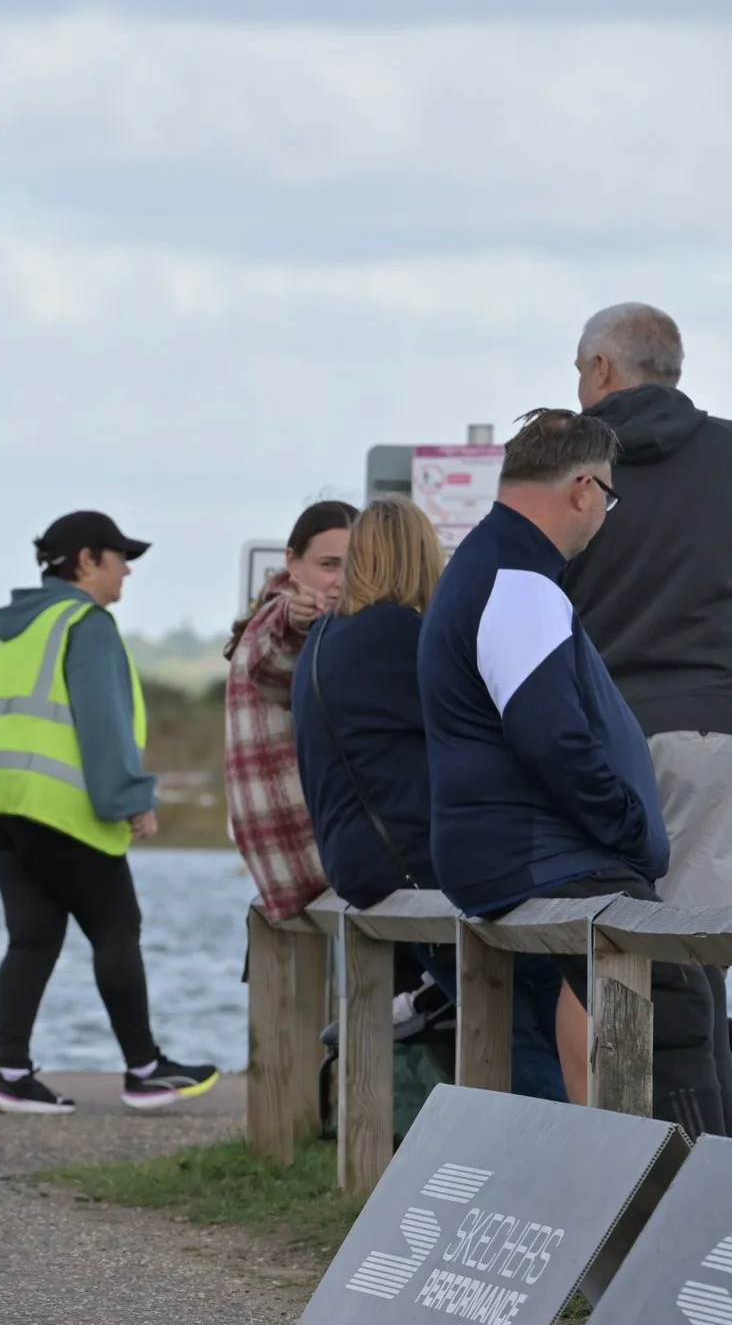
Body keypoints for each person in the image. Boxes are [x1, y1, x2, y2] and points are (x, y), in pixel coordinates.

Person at [419, 407, 724, 1136]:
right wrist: (627, 827)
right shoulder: (519, 584)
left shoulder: (486, 567)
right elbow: (554, 741)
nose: (603, 516)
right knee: (676, 1004)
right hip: (541, 856)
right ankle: (694, 1195)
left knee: (691, 993)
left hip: (511, 853)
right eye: (609, 497)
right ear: (584, 489)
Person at [293, 497, 569, 1104]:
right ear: (422, 556)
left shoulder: (321, 640)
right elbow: (493, 735)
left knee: (505, 1006)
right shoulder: (402, 635)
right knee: (535, 1001)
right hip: (417, 864)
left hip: (359, 864)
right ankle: (562, 1145)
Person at [0, 511, 219, 1116]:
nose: (127, 570)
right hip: (56, 804)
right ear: (86, 561)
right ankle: (145, 1070)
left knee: (33, 934)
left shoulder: (13, 626)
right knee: (117, 926)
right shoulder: (88, 623)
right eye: (119, 557)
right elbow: (104, 726)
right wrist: (131, 800)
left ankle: (9, 1071)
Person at [563, 302, 732, 1103]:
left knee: (614, 960)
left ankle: (644, 1150)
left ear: (602, 368)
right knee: (702, 959)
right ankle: (709, 1149)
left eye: (578, 369)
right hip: (718, 737)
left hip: (605, 742)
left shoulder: (569, 472)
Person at [223, 500, 356, 927]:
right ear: (292, 562)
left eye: (355, 563)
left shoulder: (273, 615)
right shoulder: (283, 616)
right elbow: (274, 661)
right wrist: (295, 622)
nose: (341, 579)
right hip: (308, 857)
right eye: (328, 564)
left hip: (295, 862)